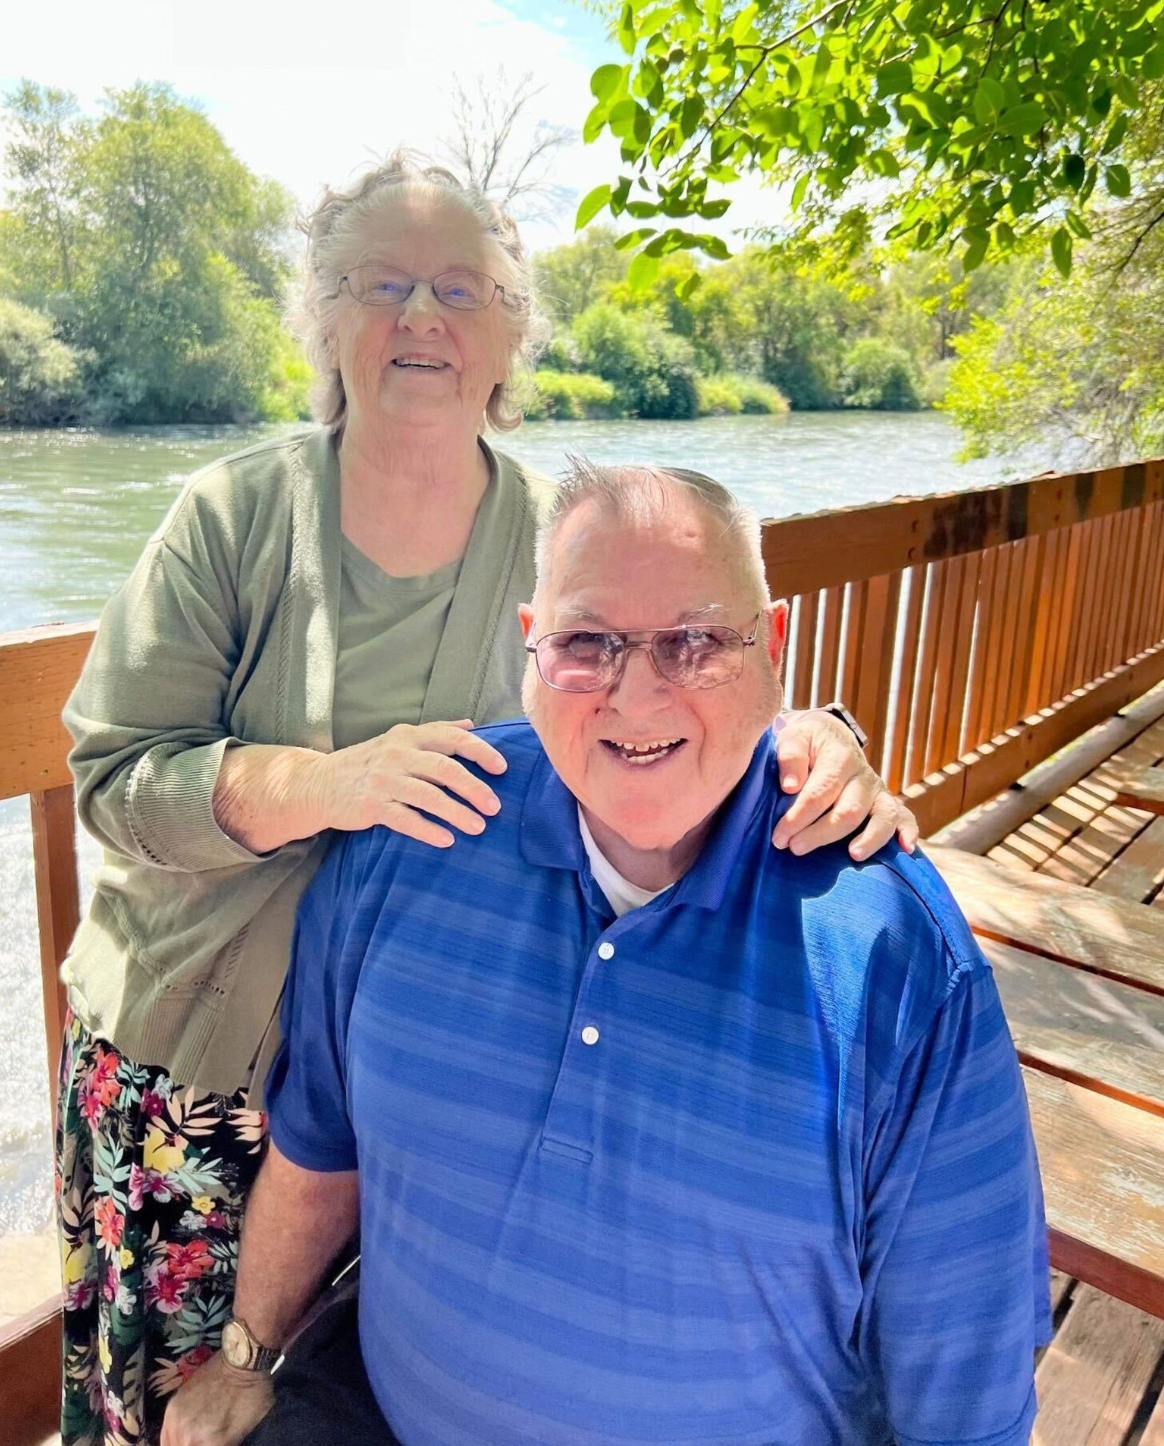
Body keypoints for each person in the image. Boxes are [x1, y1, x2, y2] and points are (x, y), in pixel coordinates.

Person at [56, 155, 916, 1446]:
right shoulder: (229, 516)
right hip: (200, 1074)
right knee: (181, 1412)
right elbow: (118, 781)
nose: (421, 319)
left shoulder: (559, 526)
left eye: (463, 287)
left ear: (516, 326)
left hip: (445, 1079)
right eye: (379, 283)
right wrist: (323, 783)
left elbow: (694, 658)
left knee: (400, 1384)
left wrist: (818, 735)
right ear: (319, 315)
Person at [165, 461, 1051, 1446]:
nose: (635, 697)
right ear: (528, 650)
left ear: (773, 649)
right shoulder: (406, 844)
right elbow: (319, 1145)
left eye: (694, 641)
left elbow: (964, 1382)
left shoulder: (893, 961)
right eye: (586, 642)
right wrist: (246, 1353)